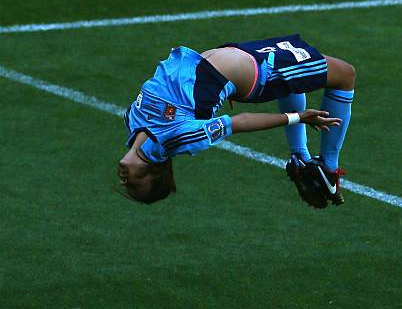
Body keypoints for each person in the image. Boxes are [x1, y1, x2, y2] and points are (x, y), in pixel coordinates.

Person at [118, 34, 355, 208]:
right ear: (154, 172)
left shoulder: (132, 121)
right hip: (255, 72)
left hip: (228, 57)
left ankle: (300, 155)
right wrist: (298, 118)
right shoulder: (175, 141)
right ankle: (329, 166)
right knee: (345, 74)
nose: (125, 180)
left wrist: (214, 97)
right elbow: (239, 122)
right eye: (136, 184)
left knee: (292, 83)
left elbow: (178, 95)